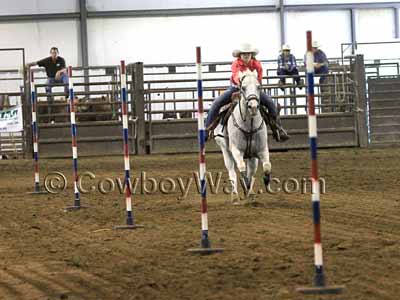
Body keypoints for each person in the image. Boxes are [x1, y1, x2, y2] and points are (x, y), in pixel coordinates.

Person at [205, 43, 289, 142]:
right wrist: (242, 83)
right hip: (236, 88)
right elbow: (236, 76)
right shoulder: (236, 64)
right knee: (217, 103)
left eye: (248, 54)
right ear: (240, 55)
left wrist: (254, 86)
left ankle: (278, 129)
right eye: (244, 54)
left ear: (251, 55)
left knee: (271, 103)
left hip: (252, 90)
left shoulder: (256, 64)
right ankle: (206, 130)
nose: (246, 56)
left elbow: (259, 77)